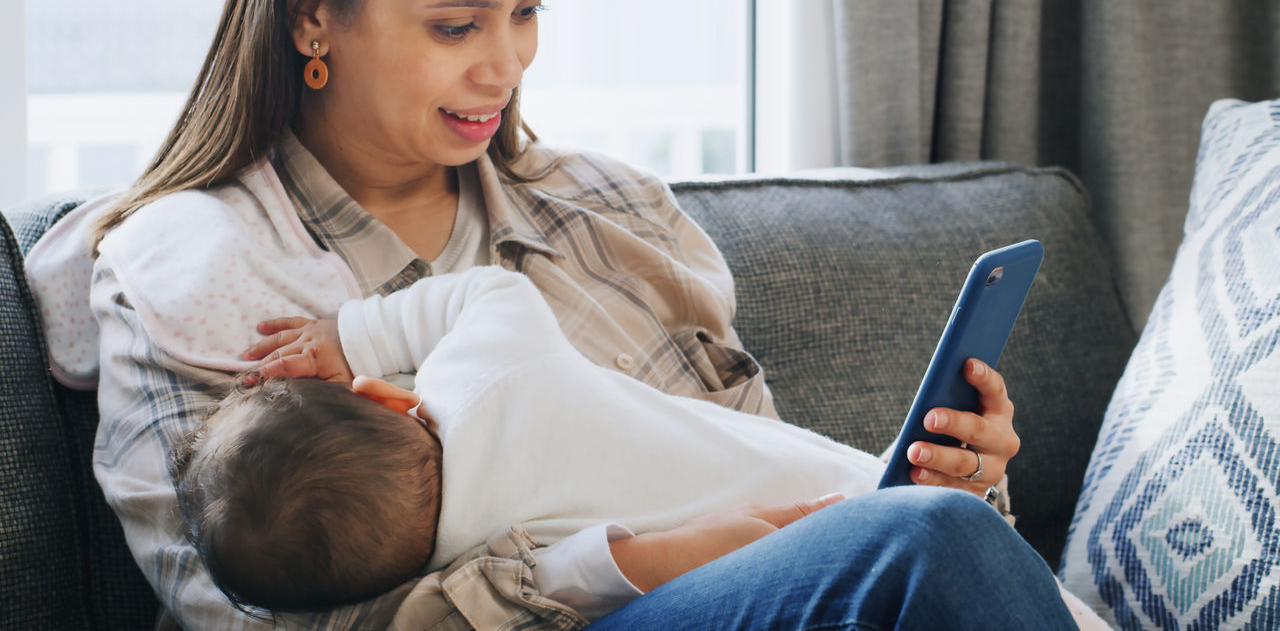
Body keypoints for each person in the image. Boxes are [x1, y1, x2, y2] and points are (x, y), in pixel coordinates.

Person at [84, 0, 1072, 628]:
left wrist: (951, 480)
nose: (505, 63)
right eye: (457, 23)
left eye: (526, 12)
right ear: (311, 7)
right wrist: (620, 562)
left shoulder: (613, 219)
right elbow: (261, 617)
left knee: (931, 533)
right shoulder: (194, 281)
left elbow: (773, 487)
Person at [174, 266, 1099, 626]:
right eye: (457, 21)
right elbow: (488, 290)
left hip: (856, 525)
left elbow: (648, 559)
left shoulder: (506, 562)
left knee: (938, 534)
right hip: (859, 512)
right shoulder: (479, 372)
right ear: (390, 400)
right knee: (931, 535)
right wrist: (358, 334)